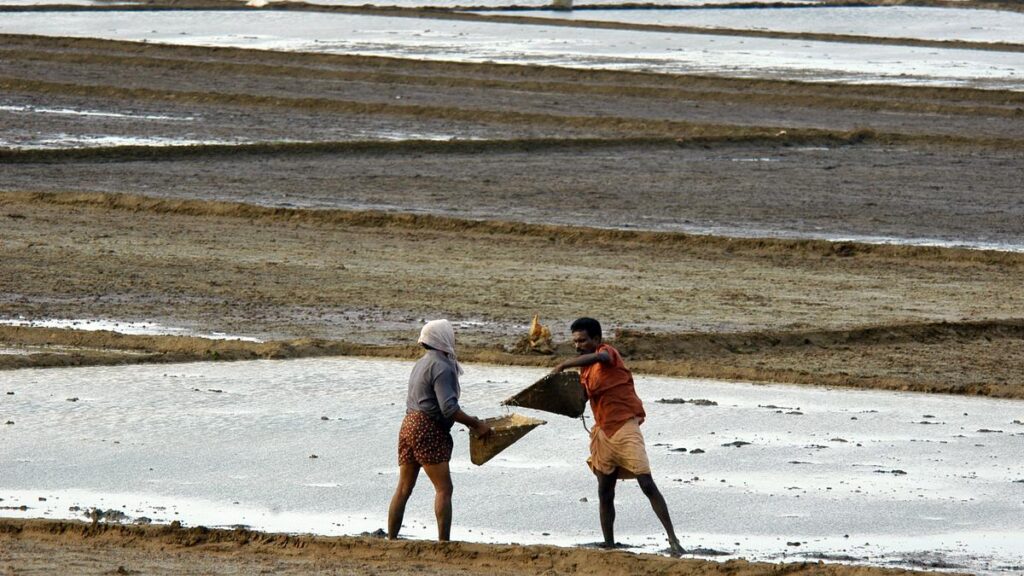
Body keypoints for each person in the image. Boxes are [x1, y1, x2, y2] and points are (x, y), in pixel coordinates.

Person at [551, 317, 683, 554]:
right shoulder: (585, 371)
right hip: (602, 431)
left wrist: (564, 365)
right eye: (575, 342)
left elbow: (600, 358)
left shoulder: (607, 353)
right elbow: (580, 400)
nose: (578, 345)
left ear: (597, 339)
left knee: (646, 484)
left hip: (624, 427)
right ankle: (609, 544)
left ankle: (673, 540)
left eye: (582, 341)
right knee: (605, 491)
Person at [387, 319, 492, 541]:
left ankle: (391, 539)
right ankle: (443, 542)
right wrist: (477, 424)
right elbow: (448, 408)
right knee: (444, 489)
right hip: (427, 427)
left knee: (404, 488)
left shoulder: (421, 363)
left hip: (408, 425)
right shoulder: (443, 367)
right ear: (444, 339)